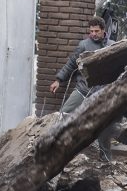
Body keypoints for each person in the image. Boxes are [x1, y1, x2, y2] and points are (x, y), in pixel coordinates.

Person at [49, 16, 118, 160]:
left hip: (103, 92)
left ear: (104, 30)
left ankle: (105, 156)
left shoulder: (113, 45)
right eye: (91, 31)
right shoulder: (83, 45)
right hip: (83, 89)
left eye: (96, 31)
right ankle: (52, 150)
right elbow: (70, 64)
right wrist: (58, 80)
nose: (93, 34)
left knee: (104, 125)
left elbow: (119, 67)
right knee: (63, 115)